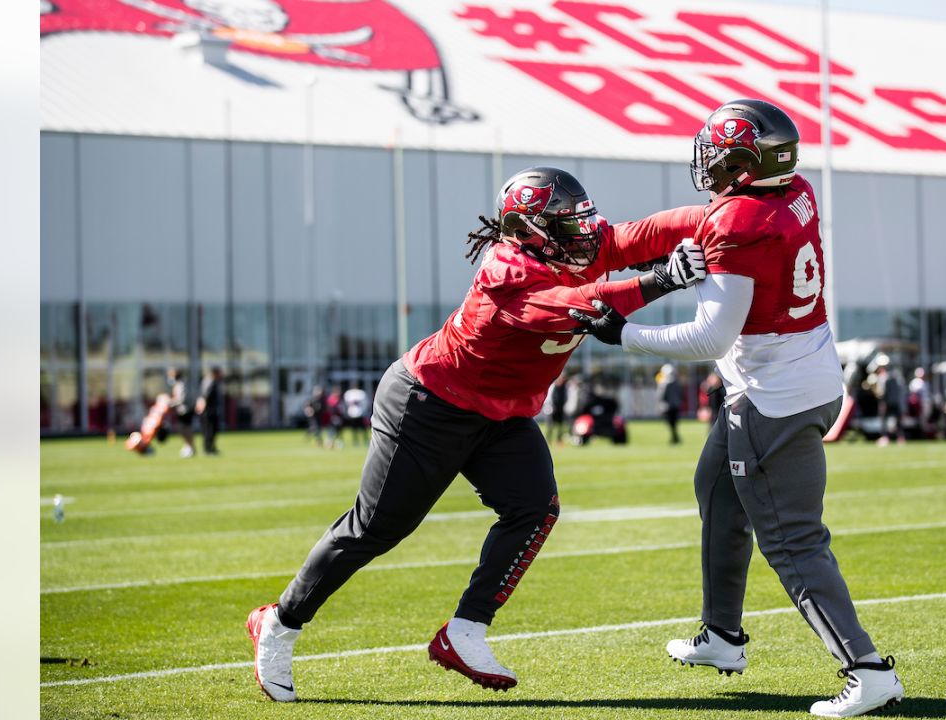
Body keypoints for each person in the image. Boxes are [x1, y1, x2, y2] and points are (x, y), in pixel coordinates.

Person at [246, 166, 708, 702]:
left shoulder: (572, 246)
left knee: (535, 507)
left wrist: (722, 216)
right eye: (567, 224)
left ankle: (465, 631)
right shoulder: (508, 273)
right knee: (376, 529)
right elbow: (581, 307)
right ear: (529, 230)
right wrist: (661, 279)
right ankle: (279, 623)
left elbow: (643, 233)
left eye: (582, 218)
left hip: (502, 414)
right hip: (429, 405)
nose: (585, 232)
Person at [572, 99, 902, 718]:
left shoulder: (739, 222)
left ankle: (868, 670)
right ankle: (722, 637)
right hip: (800, 373)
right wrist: (628, 243)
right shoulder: (794, 190)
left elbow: (710, 338)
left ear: (748, 165)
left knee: (793, 541)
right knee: (717, 493)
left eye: (723, 157)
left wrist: (624, 333)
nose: (710, 164)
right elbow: (709, 223)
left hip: (770, 397)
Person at [166, 368, 196, 458]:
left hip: (186, 410)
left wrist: (170, 403)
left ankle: (190, 446)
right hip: (181, 410)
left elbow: (181, 399)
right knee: (181, 429)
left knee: (186, 429)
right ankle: (188, 445)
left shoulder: (181, 384)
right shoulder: (177, 384)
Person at [195, 366, 223, 455]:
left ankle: (211, 447)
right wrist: (201, 406)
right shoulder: (209, 382)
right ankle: (208, 448)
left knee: (213, 429)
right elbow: (204, 396)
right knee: (209, 429)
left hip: (211, 410)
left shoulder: (211, 381)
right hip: (208, 411)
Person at [656, 363, 684, 445]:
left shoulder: (664, 383)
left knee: (671, 424)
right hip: (675, 406)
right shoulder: (676, 382)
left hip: (669, 407)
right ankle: (675, 437)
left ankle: (675, 438)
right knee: (674, 424)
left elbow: (661, 396)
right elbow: (680, 394)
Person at [545, 374, 569, 445]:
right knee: (550, 426)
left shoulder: (565, 388)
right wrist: (550, 407)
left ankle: (559, 440)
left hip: (561, 409)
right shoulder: (553, 387)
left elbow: (566, 398)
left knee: (560, 426)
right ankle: (548, 440)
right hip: (552, 410)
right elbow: (549, 398)